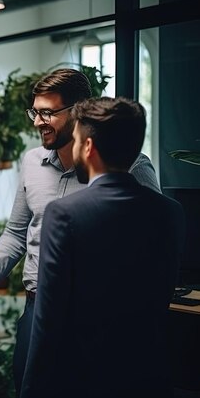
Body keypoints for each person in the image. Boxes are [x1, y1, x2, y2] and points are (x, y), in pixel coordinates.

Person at [0, 68, 162, 395]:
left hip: (98, 318)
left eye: (48, 113)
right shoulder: (31, 162)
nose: (38, 121)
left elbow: (153, 233)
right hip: (36, 308)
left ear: (80, 111)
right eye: (34, 112)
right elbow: (16, 233)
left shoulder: (130, 165)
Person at [21, 97, 184, 398]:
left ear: (88, 148)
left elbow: (48, 319)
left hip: (79, 379)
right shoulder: (170, 212)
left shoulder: (64, 214)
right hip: (148, 376)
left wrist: (29, 390)